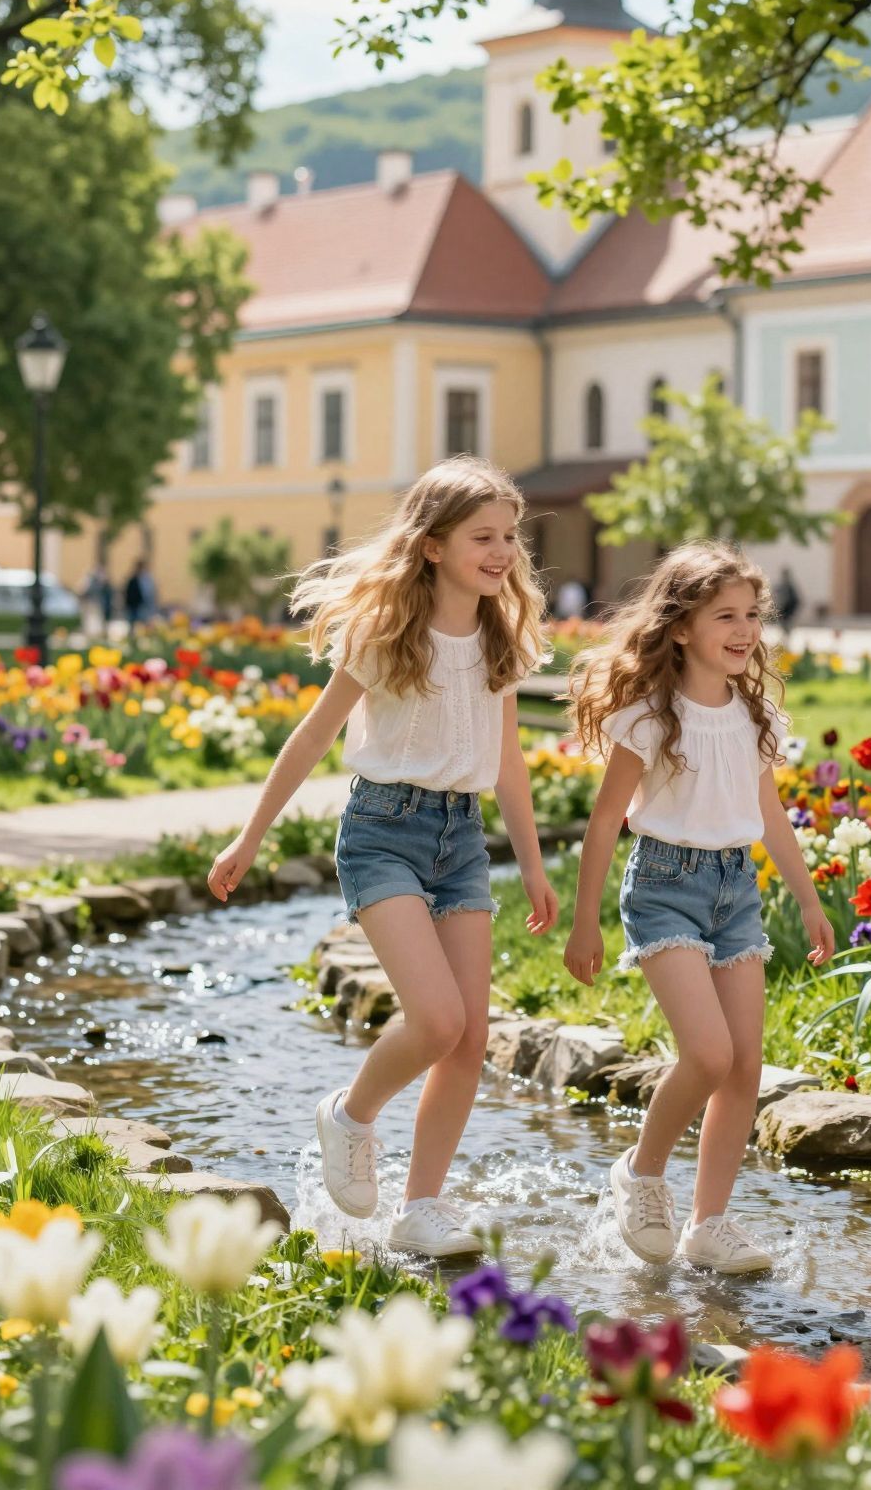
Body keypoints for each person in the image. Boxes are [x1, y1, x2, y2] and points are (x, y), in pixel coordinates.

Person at [205, 456, 558, 1256]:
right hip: (382, 833)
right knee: (437, 1020)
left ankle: (420, 1209)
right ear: (432, 545)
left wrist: (533, 865)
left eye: (510, 536)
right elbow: (313, 737)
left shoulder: (500, 638)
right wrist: (251, 835)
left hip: (461, 840)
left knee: (470, 1038)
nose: (503, 551)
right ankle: (350, 1114)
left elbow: (508, 761)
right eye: (482, 537)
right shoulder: (387, 632)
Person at [563, 542, 834, 1274]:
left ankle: (708, 1224)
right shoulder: (651, 717)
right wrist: (585, 921)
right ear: (680, 628)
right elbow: (604, 822)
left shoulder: (756, 714)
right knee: (709, 1054)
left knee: (744, 1067)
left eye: (752, 615)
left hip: (735, 890)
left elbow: (770, 814)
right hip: (664, 887)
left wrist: (809, 901)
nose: (745, 630)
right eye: (726, 616)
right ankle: (642, 1173)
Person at [123, 559, 155, 632]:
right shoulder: (133, 579)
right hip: (134, 606)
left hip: (142, 606)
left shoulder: (146, 579)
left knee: (145, 623)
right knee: (133, 624)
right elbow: (128, 593)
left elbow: (149, 593)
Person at [773, 567, 801, 633]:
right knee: (784, 624)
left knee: (786, 624)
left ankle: (786, 634)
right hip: (785, 609)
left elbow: (795, 599)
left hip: (788, 609)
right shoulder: (784, 585)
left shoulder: (789, 586)